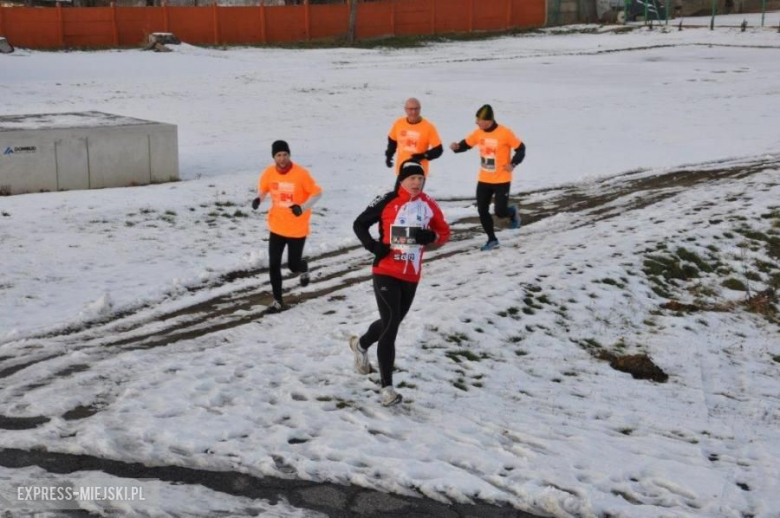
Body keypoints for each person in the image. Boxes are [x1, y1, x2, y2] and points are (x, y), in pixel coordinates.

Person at [351, 160, 451, 407]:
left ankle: (360, 344)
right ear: (402, 180)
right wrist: (374, 246)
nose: (416, 182)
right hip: (385, 269)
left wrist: (432, 237)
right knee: (391, 326)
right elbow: (359, 224)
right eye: (411, 178)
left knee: (390, 321)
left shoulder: (428, 205)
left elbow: (444, 233)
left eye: (420, 178)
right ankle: (387, 389)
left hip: (411, 274)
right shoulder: (387, 199)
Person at [251, 140, 322, 311]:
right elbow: (264, 189)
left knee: (292, 265)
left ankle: (302, 266)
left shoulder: (301, 174)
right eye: (278, 155)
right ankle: (277, 301)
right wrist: (258, 199)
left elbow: (317, 193)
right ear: (274, 157)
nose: (282, 158)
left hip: (297, 228)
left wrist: (302, 208)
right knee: (273, 264)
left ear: (289, 155)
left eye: (285, 154)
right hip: (276, 226)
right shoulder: (268, 173)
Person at [450, 104, 526, 251]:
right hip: (484, 179)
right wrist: (457, 147)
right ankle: (492, 239)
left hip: (502, 179)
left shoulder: (505, 133)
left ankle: (512, 212)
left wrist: (513, 163)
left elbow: (521, 149)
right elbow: (466, 144)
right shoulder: (479, 133)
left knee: (500, 212)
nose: (476, 123)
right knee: (482, 210)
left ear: (488, 120)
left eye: (479, 120)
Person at [385, 98, 443, 177]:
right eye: (411, 109)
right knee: (398, 190)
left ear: (420, 109)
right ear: (405, 109)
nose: (414, 112)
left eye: (416, 109)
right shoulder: (399, 123)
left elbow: (438, 149)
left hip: (418, 171)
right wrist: (389, 155)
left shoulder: (429, 127)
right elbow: (392, 141)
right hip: (402, 169)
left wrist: (423, 156)